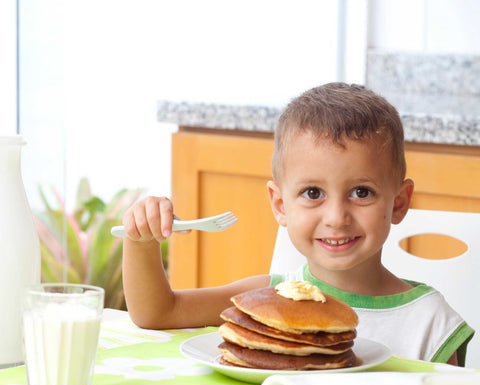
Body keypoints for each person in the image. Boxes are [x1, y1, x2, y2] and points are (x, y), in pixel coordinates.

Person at [121, 82, 474, 366]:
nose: (336, 217)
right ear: (280, 205)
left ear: (399, 203)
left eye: (361, 192)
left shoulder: (430, 322)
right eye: (312, 192)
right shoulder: (266, 300)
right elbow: (157, 312)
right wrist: (140, 242)